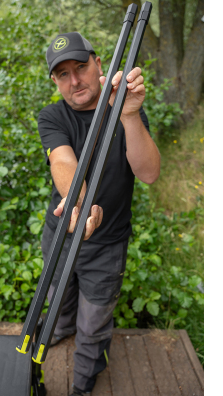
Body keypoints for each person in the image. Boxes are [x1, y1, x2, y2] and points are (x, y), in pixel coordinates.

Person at [37, 32, 160, 396]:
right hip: (61, 235)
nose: (75, 80)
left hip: (107, 246)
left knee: (93, 325)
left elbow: (149, 173)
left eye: (81, 67)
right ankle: (60, 330)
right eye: (63, 74)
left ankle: (83, 382)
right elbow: (62, 161)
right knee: (58, 300)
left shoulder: (125, 109)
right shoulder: (53, 116)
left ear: (98, 63)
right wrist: (77, 203)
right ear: (55, 81)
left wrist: (129, 116)